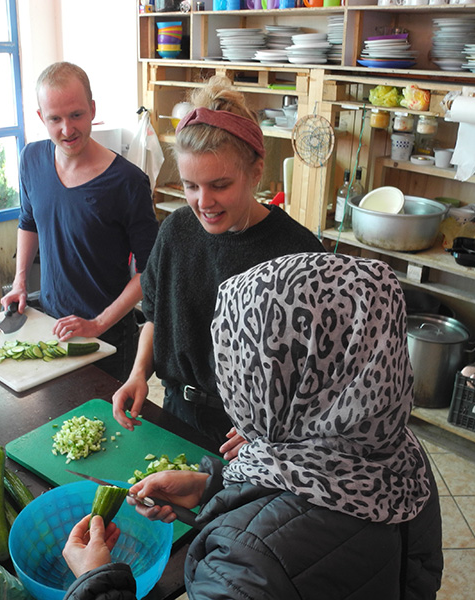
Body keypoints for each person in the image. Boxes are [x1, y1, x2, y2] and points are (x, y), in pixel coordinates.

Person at [63, 252, 444, 600]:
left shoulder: (243, 565)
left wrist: (96, 580)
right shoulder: (401, 450)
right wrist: (211, 487)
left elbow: (279, 542)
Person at [111, 76, 324, 453]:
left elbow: (318, 370)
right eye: (191, 186)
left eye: (220, 185)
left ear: (255, 172)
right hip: (178, 411)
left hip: (258, 434)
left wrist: (277, 424)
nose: (203, 202)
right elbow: (156, 315)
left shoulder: (299, 253)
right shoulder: (177, 231)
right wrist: (138, 373)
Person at [1, 62, 158, 382]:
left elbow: (150, 271)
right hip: (51, 325)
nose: (67, 130)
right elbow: (28, 221)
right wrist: (20, 282)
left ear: (92, 109)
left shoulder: (127, 182)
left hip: (108, 337)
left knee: (112, 426)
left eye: (76, 115)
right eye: (55, 119)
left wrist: (99, 323)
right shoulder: (31, 159)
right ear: (40, 117)